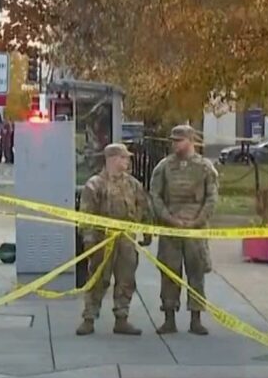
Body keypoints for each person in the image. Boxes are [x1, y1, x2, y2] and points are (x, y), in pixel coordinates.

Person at [76, 143, 152, 336]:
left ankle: (122, 318)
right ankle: (89, 318)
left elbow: (143, 207)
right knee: (98, 279)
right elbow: (86, 216)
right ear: (112, 159)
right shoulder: (95, 184)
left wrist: (147, 231)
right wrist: (89, 242)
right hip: (102, 240)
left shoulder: (133, 184)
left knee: (126, 279)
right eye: (123, 158)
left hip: (126, 240)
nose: (127, 161)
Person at [149, 125, 218, 336]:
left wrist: (198, 220)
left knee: (196, 272)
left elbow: (212, 197)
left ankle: (195, 318)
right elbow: (155, 195)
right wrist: (168, 218)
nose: (175, 144)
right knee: (170, 272)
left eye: (179, 140)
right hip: (171, 229)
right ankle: (169, 317)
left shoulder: (205, 167)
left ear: (191, 140)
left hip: (195, 230)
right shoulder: (164, 167)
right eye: (173, 140)